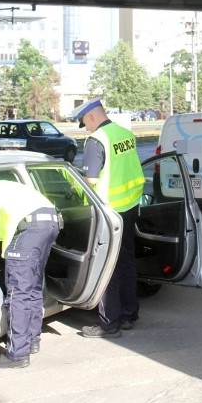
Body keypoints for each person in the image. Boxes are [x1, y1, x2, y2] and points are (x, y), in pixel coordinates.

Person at [0, 179, 61, 369]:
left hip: (29, 229)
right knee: (33, 286)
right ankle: (32, 340)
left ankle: (17, 353)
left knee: (18, 292)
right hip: (51, 222)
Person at [73, 98, 144, 339]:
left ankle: (109, 323)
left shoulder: (97, 140)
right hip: (130, 207)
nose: (87, 128)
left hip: (108, 213)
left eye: (85, 123)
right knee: (126, 262)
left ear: (91, 117)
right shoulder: (125, 134)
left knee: (107, 267)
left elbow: (90, 182)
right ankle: (128, 314)